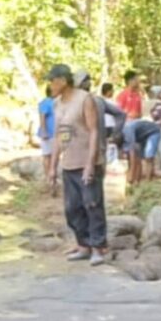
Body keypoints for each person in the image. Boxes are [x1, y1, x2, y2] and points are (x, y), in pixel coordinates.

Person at [45, 64, 108, 266]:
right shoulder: (56, 104)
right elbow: (58, 136)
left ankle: (98, 247)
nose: (50, 85)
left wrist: (90, 164)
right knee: (72, 208)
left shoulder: (84, 99)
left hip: (87, 162)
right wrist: (52, 167)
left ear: (63, 80)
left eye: (52, 81)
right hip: (69, 164)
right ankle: (83, 245)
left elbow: (94, 131)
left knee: (92, 204)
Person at [122, 119, 161, 185]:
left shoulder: (127, 131)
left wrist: (130, 178)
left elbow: (132, 155)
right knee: (139, 157)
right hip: (141, 135)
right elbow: (135, 158)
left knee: (148, 157)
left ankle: (147, 183)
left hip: (153, 132)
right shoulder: (122, 135)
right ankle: (138, 182)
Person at [38, 85, 57, 196]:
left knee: (53, 156)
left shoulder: (57, 102)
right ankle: (49, 179)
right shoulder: (46, 102)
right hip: (48, 134)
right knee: (47, 156)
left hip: (56, 134)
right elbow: (42, 117)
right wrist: (44, 131)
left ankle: (52, 179)